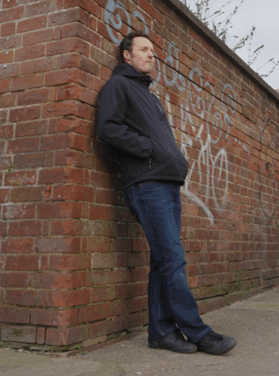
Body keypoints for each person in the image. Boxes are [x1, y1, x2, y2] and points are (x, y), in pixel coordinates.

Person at [96, 31, 237, 355]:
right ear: (126, 56)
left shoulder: (148, 94)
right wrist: (149, 150)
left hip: (165, 183)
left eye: (153, 50)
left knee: (163, 262)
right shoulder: (118, 86)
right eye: (143, 49)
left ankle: (160, 332)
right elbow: (109, 128)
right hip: (147, 185)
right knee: (173, 259)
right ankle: (199, 333)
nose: (151, 54)